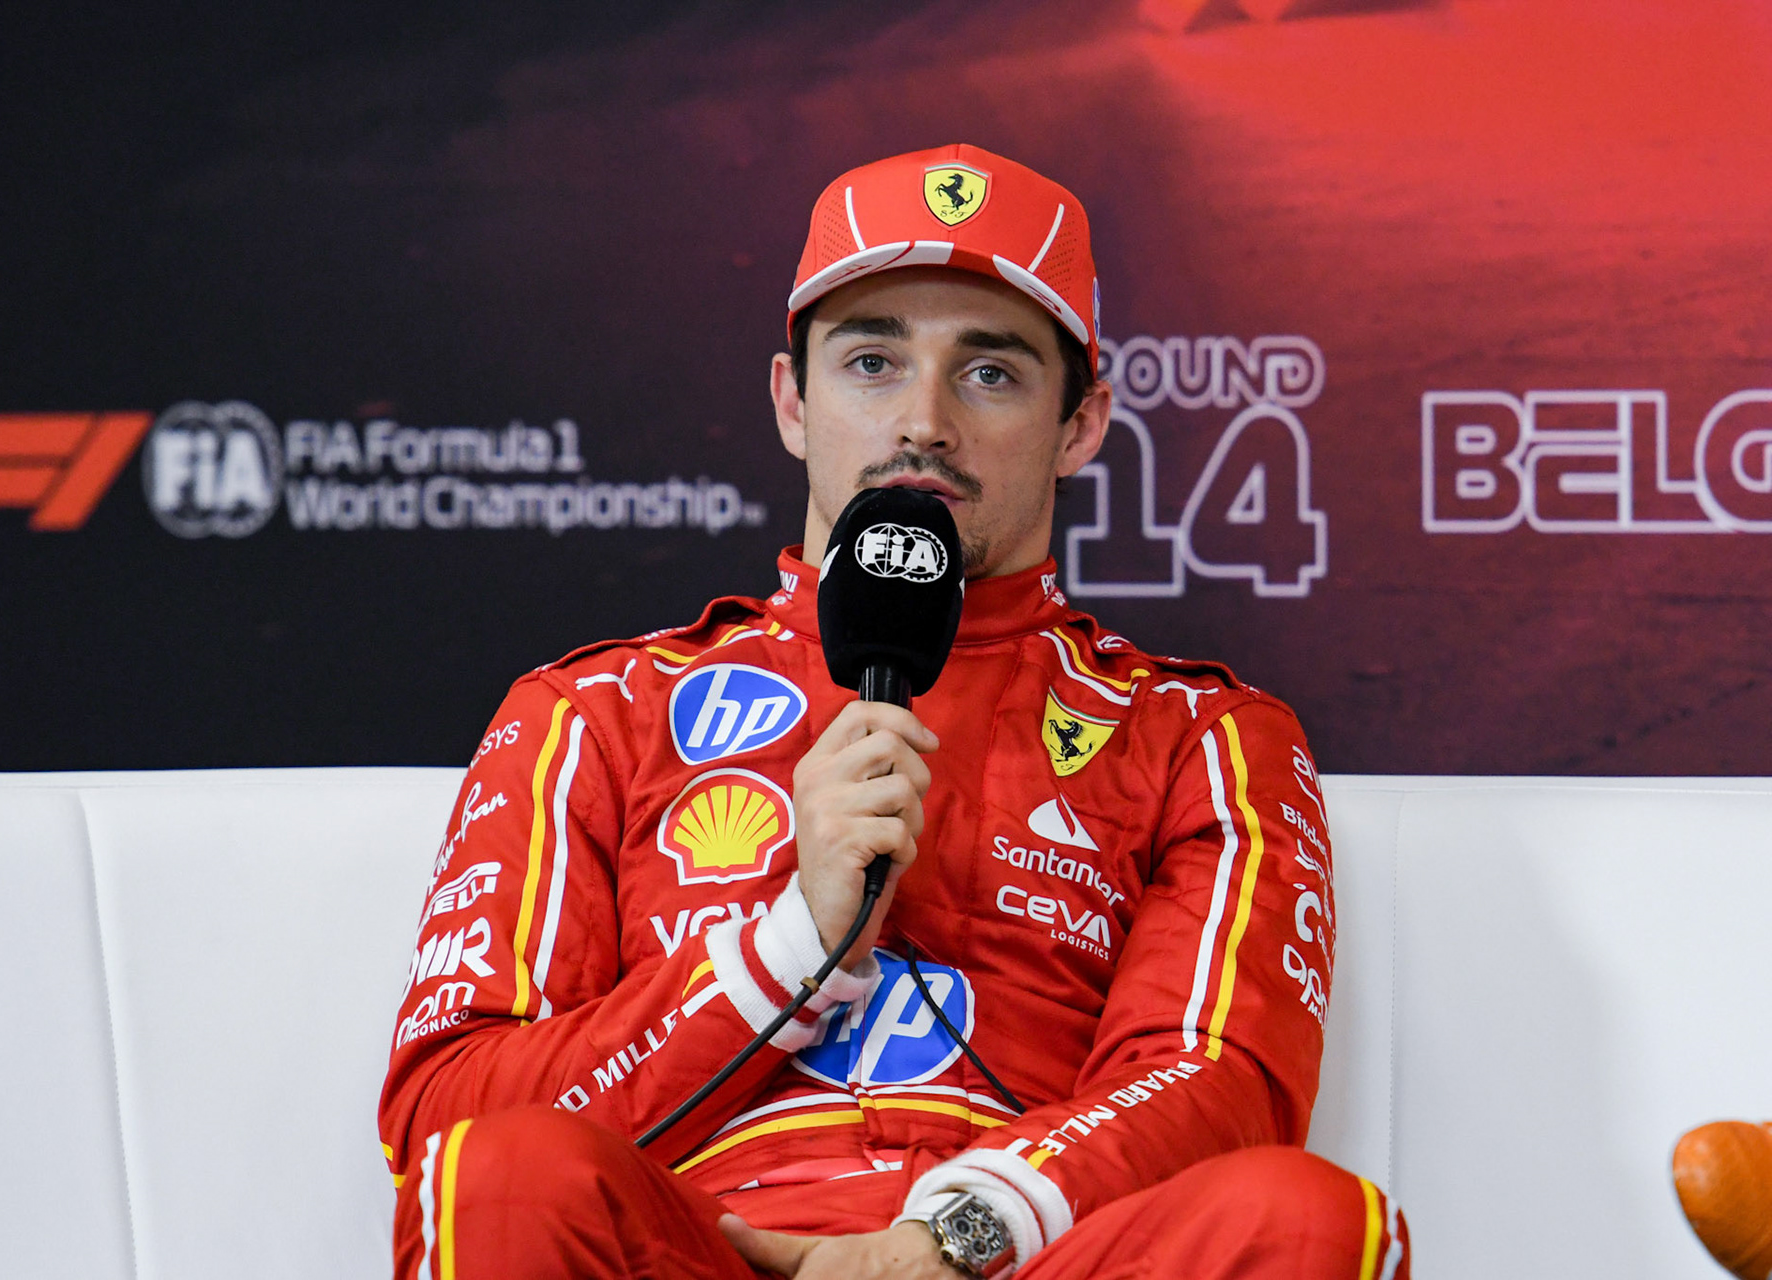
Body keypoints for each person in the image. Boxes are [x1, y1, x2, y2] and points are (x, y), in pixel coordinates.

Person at [377, 143, 1408, 1280]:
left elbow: (1224, 1081)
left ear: (1081, 425)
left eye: (991, 372)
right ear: (791, 401)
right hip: (701, 1251)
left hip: (1021, 1256)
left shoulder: (1205, 737)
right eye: (871, 361)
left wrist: (952, 1238)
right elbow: (441, 1116)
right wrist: (792, 941)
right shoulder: (592, 711)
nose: (923, 421)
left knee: (1308, 1216)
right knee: (501, 1172)